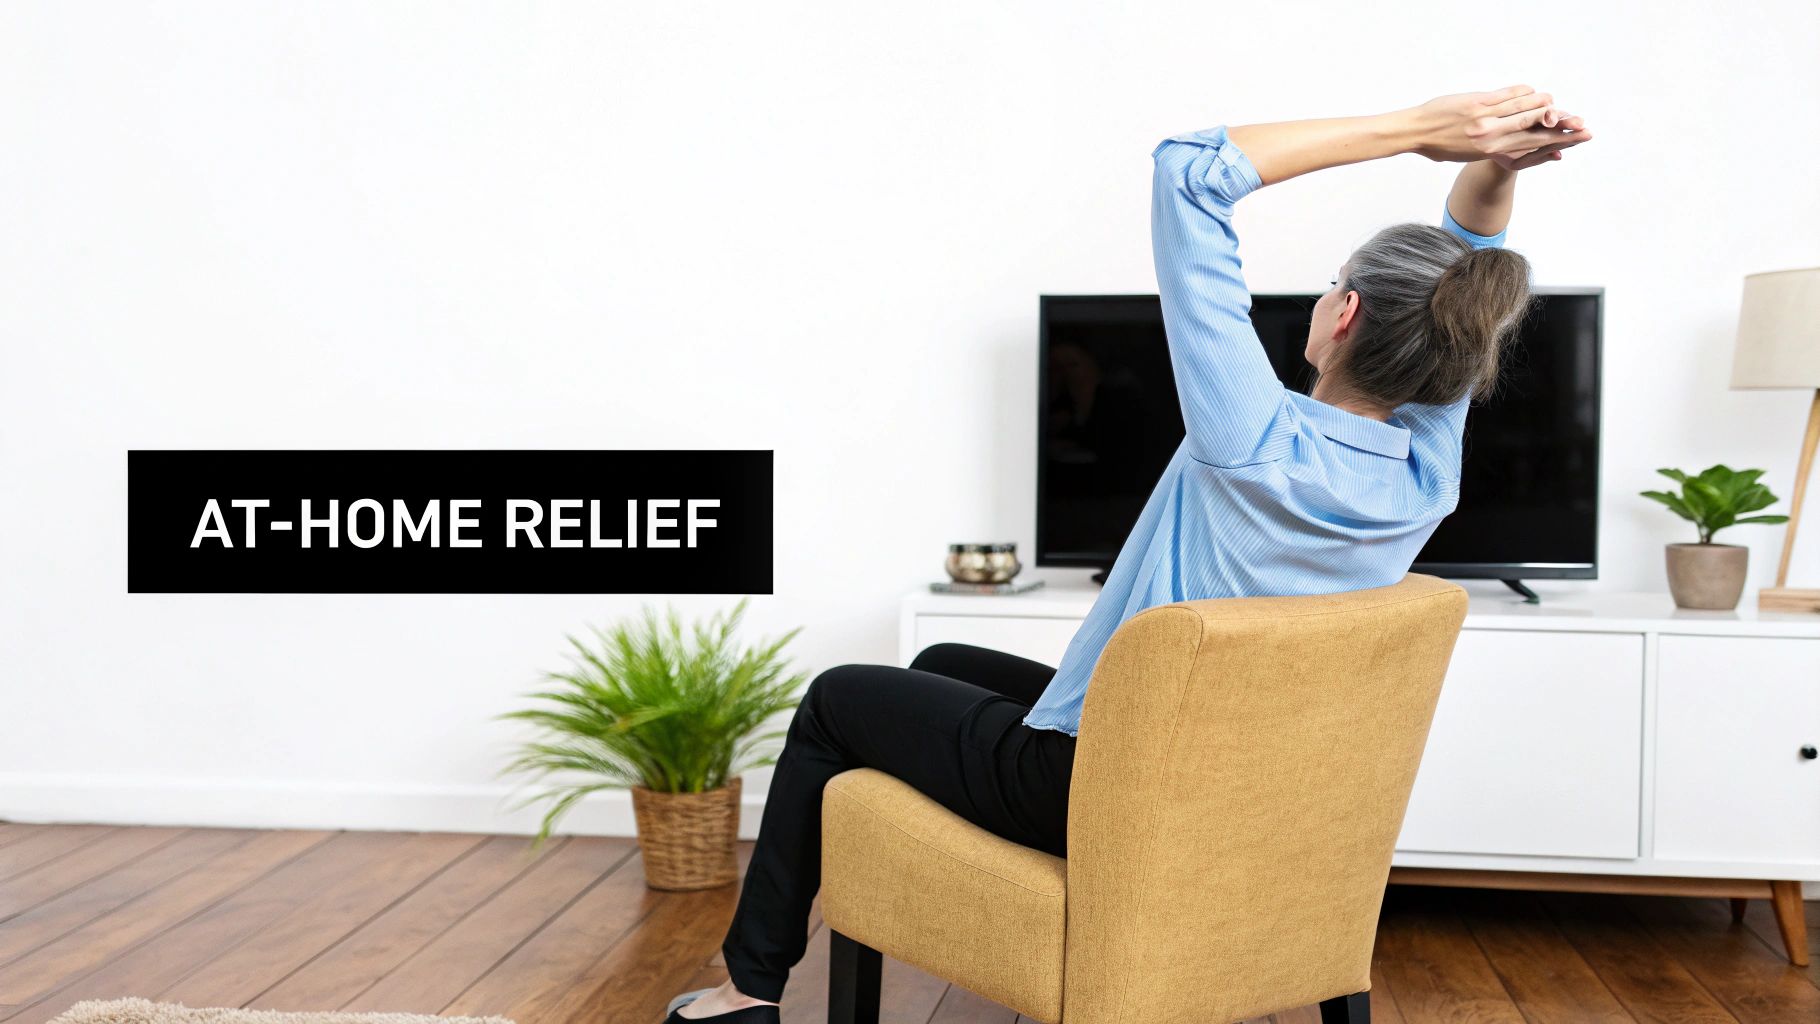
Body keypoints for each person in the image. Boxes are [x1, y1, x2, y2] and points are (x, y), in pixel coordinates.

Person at [663, 86, 1591, 1023]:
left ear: (1343, 313)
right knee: (942, 663)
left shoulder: (1251, 435)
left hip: (1105, 795)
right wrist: (1494, 164)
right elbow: (1466, 265)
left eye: (1325, 287)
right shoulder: (1429, 476)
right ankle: (882, 876)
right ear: (1453, 361)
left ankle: (747, 991)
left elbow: (1189, 171)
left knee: (835, 701)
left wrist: (1413, 133)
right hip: (1241, 789)